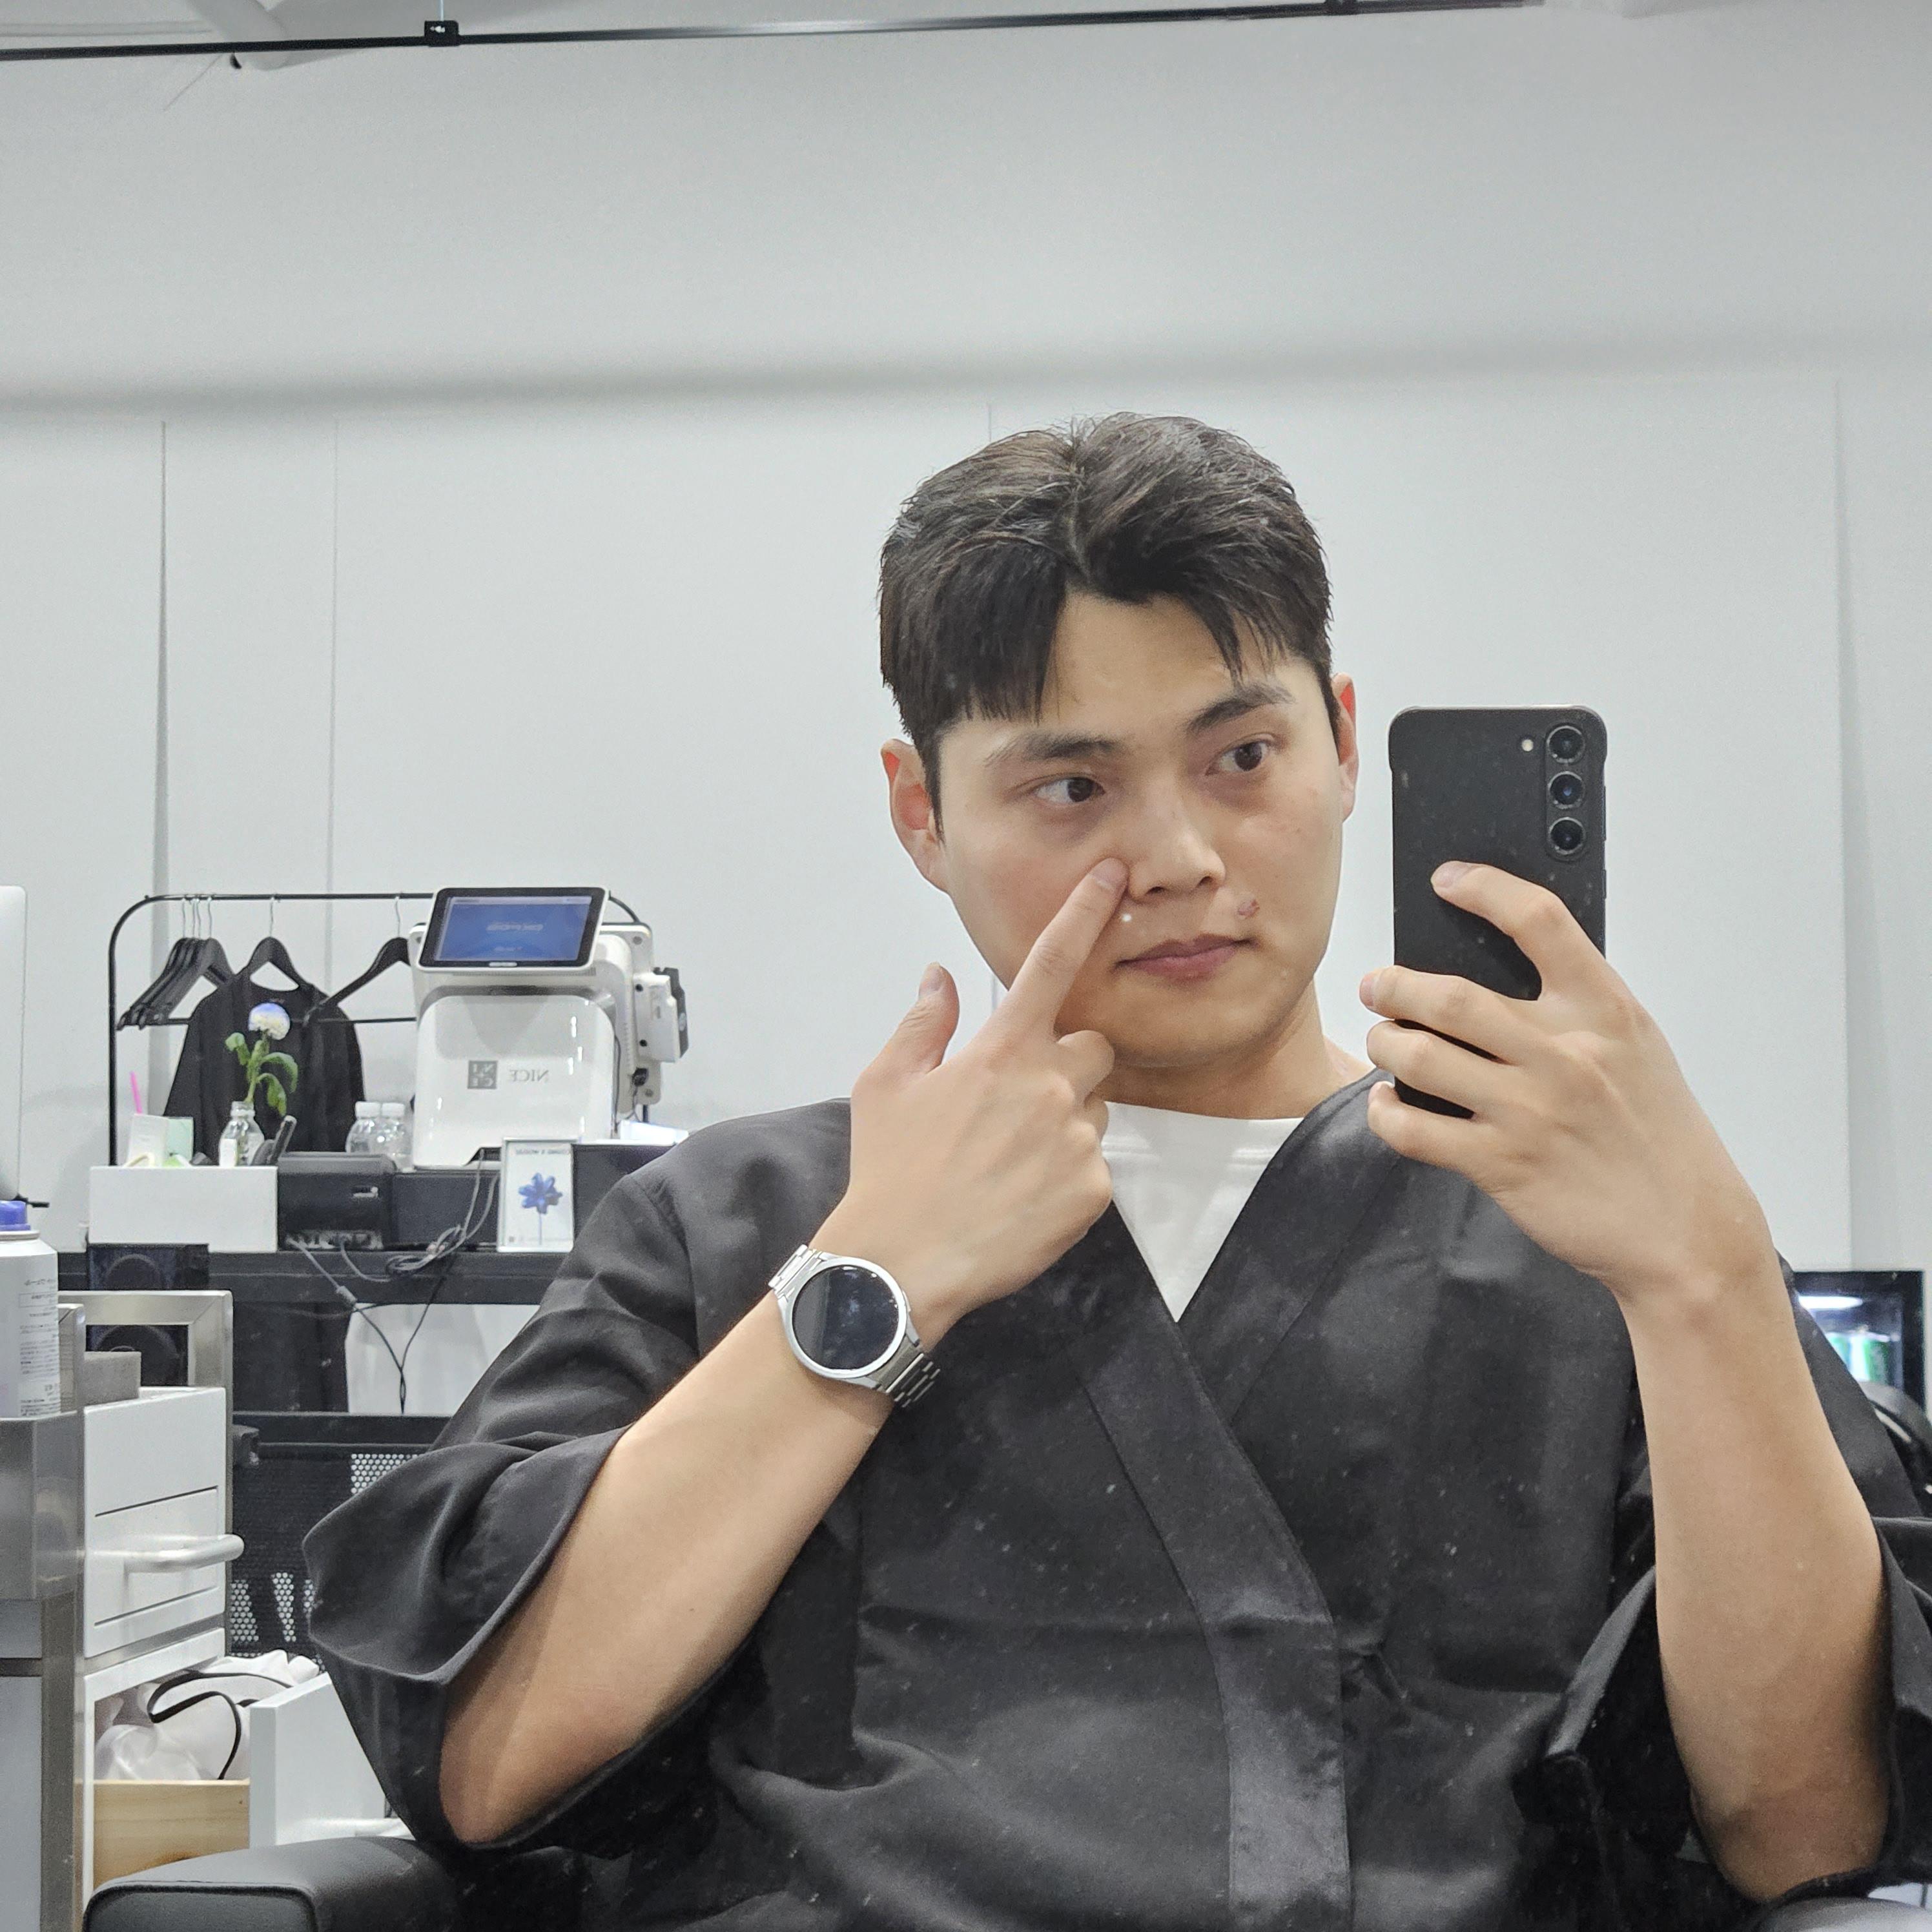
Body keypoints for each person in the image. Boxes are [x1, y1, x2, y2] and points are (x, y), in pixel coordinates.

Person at [307, 415, 1932, 1931]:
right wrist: (873, 1283)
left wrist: (1702, 1276)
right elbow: (484, 1750)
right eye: (1072, 786)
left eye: (1241, 756)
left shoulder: (1576, 1226)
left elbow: (1806, 1818)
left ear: (1341, 741)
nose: (1178, 857)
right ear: (919, 811)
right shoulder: (741, 1223)